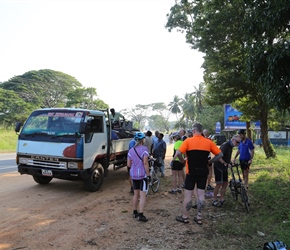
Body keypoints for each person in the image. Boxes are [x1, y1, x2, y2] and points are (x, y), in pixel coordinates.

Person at [174, 122, 224, 225]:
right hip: (203, 172)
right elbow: (220, 154)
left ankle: (185, 217)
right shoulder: (208, 142)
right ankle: (199, 217)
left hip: (191, 172)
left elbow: (178, 153)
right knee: (201, 195)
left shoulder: (188, 141)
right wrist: (210, 162)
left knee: (188, 195)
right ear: (201, 131)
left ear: (194, 131)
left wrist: (182, 160)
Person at [212, 135, 241, 207]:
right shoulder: (225, 145)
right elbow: (218, 156)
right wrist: (224, 163)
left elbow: (227, 157)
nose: (238, 144)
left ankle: (222, 199)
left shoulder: (230, 147)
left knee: (225, 183)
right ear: (233, 140)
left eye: (239, 143)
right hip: (218, 166)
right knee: (219, 184)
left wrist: (230, 162)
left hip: (224, 167)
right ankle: (214, 199)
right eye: (237, 142)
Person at [127, 132, 150, 222]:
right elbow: (145, 163)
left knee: (135, 194)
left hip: (133, 174)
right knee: (142, 194)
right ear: (142, 140)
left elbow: (128, 164)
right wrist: (148, 175)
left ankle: (134, 212)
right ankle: (141, 214)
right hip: (142, 175)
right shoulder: (145, 149)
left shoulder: (131, 150)